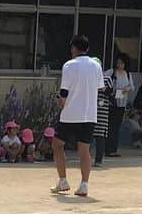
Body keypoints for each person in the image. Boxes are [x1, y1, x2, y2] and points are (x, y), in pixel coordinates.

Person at [51, 35, 102, 198]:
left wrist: (61, 101)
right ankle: (84, 184)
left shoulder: (69, 65)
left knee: (57, 144)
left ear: (73, 48)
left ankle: (63, 180)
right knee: (84, 150)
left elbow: (64, 92)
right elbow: (100, 88)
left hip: (70, 114)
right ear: (87, 48)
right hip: (89, 114)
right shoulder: (96, 66)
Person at [106, 53, 133, 157]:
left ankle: (114, 149)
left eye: (121, 63)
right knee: (111, 126)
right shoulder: (112, 72)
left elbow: (131, 85)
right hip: (112, 101)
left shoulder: (127, 74)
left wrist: (127, 89)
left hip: (122, 102)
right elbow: (103, 79)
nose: (119, 65)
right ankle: (108, 149)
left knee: (117, 126)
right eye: (118, 62)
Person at [93, 70, 112, 167]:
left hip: (102, 112)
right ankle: (84, 158)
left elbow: (111, 93)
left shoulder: (107, 79)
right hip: (89, 110)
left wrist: (104, 88)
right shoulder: (87, 77)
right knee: (86, 136)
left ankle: (98, 160)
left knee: (100, 136)